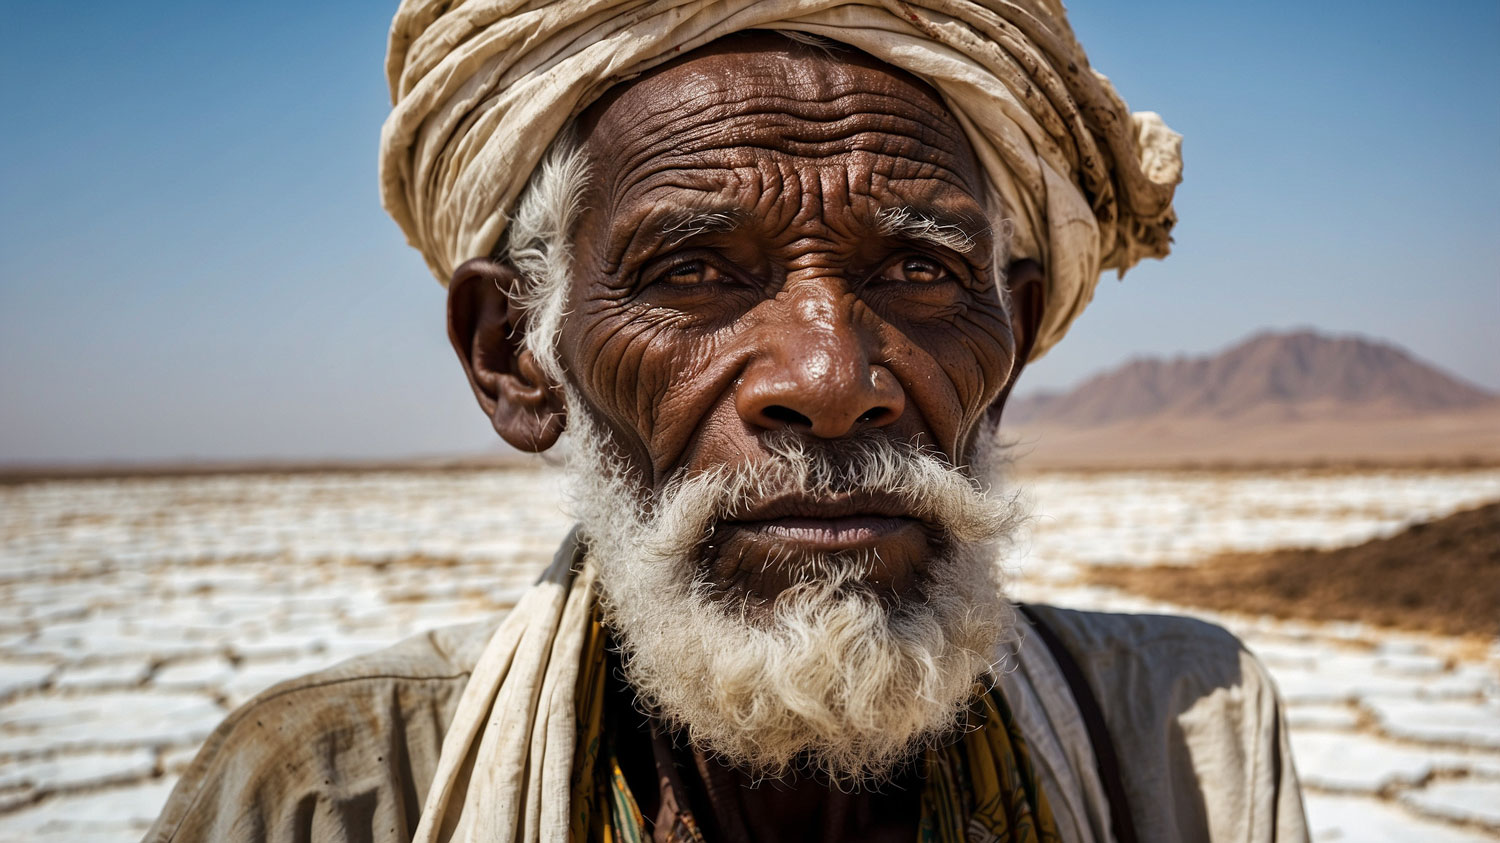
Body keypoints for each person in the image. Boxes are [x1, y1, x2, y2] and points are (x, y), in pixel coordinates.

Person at [148, 2, 1306, 841]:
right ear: (515, 359)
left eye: (918, 268)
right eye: (694, 269)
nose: (831, 375)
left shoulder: (1184, 740)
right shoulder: (318, 798)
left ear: (1009, 349)